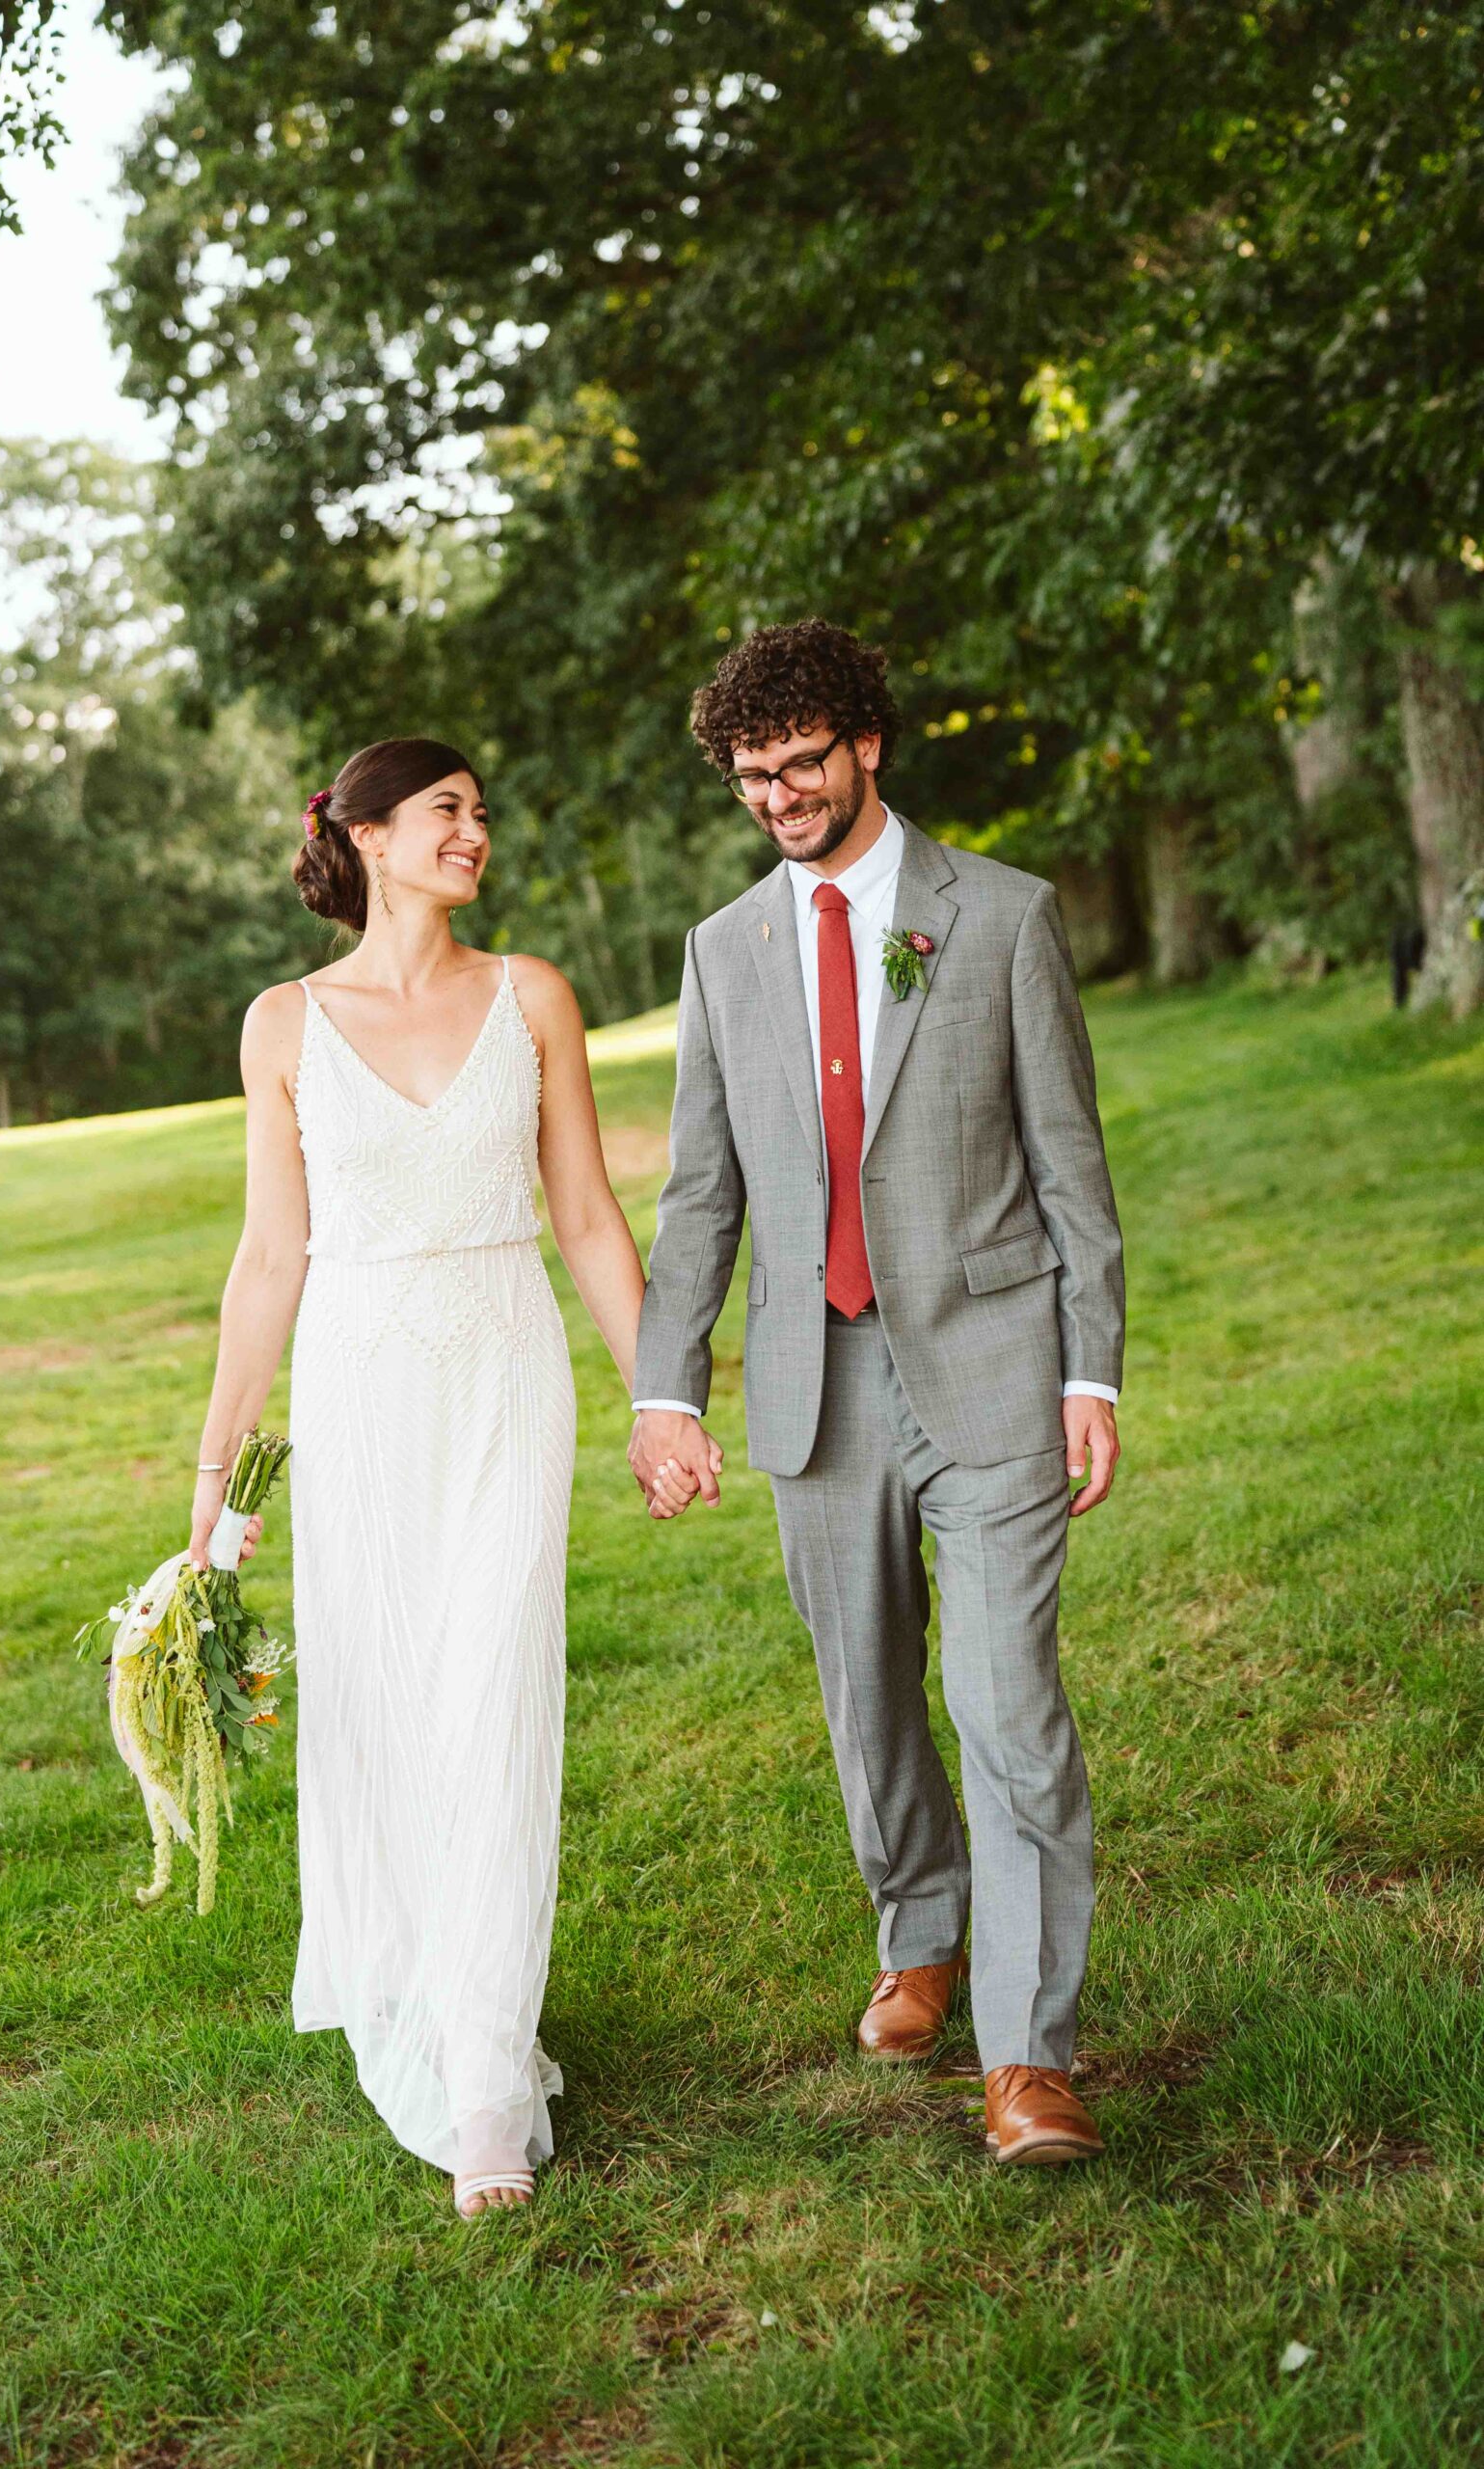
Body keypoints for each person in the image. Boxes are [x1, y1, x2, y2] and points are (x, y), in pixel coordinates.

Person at [631, 621, 1125, 2166]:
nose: (778, 797)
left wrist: (1090, 1366)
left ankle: (1028, 2060)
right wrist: (668, 1389)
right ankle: (920, 1933)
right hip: (812, 1383)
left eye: (801, 765)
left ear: (869, 747)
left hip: (990, 1369)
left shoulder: (1001, 918)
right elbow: (700, 1191)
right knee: (869, 1695)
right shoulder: (728, 952)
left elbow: (1072, 1168)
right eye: (750, 777)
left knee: (1005, 1702)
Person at [186, 737, 682, 2217]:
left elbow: (587, 1216)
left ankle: (482, 2083)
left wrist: (660, 1400)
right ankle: (419, 1978)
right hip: (359, 1388)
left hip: (503, 1374)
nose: (478, 831)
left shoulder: (532, 996)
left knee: (492, 1692)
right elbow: (272, 1255)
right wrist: (218, 1477)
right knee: (387, 1698)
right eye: (448, 812)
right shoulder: (283, 1025)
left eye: (480, 810)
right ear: (371, 838)